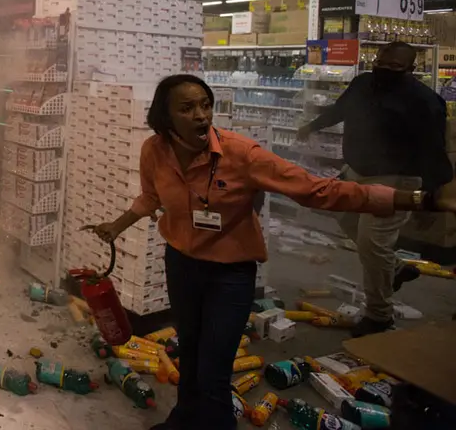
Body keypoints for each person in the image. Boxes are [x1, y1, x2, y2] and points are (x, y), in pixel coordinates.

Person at [88, 74, 454, 430]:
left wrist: (421, 199)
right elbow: (151, 196)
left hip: (229, 275)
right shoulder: (154, 150)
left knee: (214, 368)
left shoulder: (241, 154)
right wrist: (116, 226)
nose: (201, 115)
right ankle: (183, 419)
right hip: (181, 265)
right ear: (165, 117)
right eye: (187, 108)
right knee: (191, 353)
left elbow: (318, 190)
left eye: (206, 105)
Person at [297, 41, 453, 336]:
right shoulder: (362, 84)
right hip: (356, 172)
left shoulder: (424, 101)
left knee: (372, 243)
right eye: (381, 62)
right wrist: (312, 126)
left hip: (396, 181)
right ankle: (394, 267)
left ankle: (379, 315)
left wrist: (430, 198)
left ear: (411, 69)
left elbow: (434, 150)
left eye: (394, 67)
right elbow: (340, 110)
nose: (385, 69)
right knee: (346, 220)